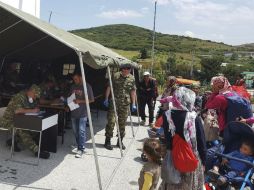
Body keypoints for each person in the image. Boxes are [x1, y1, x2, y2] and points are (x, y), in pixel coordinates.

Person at [159, 87, 206, 190]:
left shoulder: (167, 115)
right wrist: (204, 161)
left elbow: (167, 138)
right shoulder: (194, 118)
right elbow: (201, 142)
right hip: (191, 157)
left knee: (172, 180)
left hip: (173, 156)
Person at [0, 85, 50, 159]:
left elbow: (33, 107)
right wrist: (32, 110)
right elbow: (17, 111)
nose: (35, 98)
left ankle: (13, 141)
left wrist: (36, 109)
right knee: (22, 130)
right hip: (8, 120)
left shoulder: (31, 98)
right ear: (30, 92)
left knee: (34, 129)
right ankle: (36, 151)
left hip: (21, 120)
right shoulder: (19, 97)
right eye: (35, 96)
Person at [103, 63, 136, 150]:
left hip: (125, 104)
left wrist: (133, 103)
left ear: (130, 70)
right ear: (121, 69)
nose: (126, 70)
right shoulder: (115, 76)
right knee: (111, 121)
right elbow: (109, 87)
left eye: (128, 69)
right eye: (124, 69)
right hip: (114, 102)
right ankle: (107, 141)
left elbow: (133, 91)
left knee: (122, 123)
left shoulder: (132, 78)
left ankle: (120, 141)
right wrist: (106, 98)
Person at [70, 72, 94, 158]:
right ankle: (78, 145)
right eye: (73, 79)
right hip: (74, 112)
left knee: (81, 131)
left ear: (80, 77)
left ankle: (81, 149)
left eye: (76, 79)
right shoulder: (73, 86)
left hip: (83, 113)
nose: (75, 81)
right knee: (75, 131)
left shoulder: (87, 86)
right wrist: (69, 104)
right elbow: (71, 98)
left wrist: (80, 101)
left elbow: (91, 100)